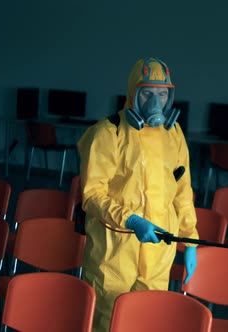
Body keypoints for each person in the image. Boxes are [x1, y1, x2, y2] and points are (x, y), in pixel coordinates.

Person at [77, 57, 198, 332]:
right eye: (147, 93)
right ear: (133, 94)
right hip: (113, 251)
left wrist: (190, 242)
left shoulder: (174, 134)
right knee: (106, 320)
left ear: (170, 96)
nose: (155, 102)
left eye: (162, 94)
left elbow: (182, 191)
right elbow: (92, 194)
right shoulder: (108, 133)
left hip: (158, 251)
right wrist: (131, 220)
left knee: (149, 320)